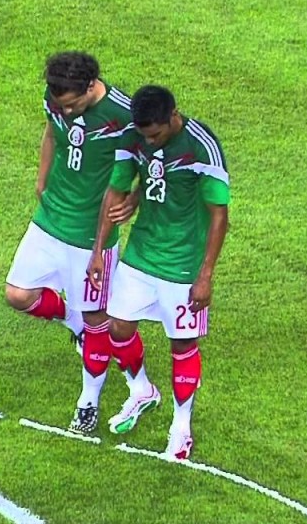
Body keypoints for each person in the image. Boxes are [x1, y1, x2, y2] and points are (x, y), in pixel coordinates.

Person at [87, 84, 230, 460]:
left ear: (173, 116)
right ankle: (142, 391)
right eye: (144, 134)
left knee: (181, 344)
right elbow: (116, 191)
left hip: (184, 265)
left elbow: (219, 216)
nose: (149, 140)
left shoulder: (202, 146)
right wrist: (99, 251)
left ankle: (181, 429)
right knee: (117, 325)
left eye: (156, 134)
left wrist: (205, 275)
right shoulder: (133, 137)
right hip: (142, 254)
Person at [5, 51, 140, 434]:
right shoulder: (56, 101)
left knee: (100, 323)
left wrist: (135, 198)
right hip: (50, 220)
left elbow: (154, 159)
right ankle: (72, 320)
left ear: (90, 86)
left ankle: (88, 403)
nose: (64, 112)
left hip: (91, 235)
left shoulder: (123, 114)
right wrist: (41, 178)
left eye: (71, 105)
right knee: (17, 294)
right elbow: (51, 132)